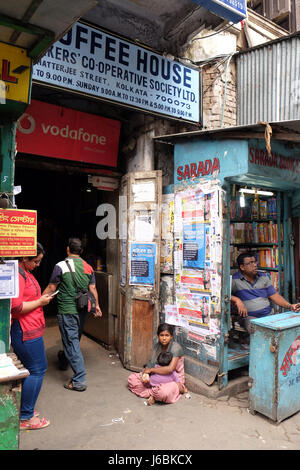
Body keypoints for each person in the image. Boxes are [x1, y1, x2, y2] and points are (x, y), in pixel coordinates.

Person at [43, 237, 102, 392]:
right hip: (82, 309)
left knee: (71, 341)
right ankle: (64, 359)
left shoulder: (60, 266)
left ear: (67, 249)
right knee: (72, 337)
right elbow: (93, 289)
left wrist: (39, 301)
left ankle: (79, 379)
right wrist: (96, 306)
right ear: (81, 251)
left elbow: (51, 287)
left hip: (67, 309)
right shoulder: (88, 267)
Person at [11, 242, 54, 430]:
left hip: (31, 329)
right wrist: (39, 302)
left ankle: (26, 410)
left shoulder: (25, 273)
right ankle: (26, 417)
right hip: (25, 330)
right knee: (37, 370)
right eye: (35, 261)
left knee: (35, 369)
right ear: (24, 258)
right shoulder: (18, 275)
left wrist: (41, 301)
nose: (37, 265)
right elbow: (17, 307)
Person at [231, 252, 300, 344]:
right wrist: (237, 300)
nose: (255, 265)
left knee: (287, 329)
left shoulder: (263, 277)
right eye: (250, 263)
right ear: (242, 267)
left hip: (268, 315)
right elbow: (223, 295)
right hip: (248, 317)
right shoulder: (234, 280)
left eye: (255, 262)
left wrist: (290, 306)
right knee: (258, 330)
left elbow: (274, 295)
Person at [128, 323, 187, 406]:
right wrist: (146, 375)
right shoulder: (157, 346)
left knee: (163, 392)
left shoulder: (176, 348)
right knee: (132, 379)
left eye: (167, 335)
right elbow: (150, 364)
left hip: (172, 380)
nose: (164, 338)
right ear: (158, 336)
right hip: (155, 378)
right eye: (161, 335)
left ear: (171, 336)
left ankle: (154, 394)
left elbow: (170, 369)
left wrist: (151, 370)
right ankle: (155, 393)